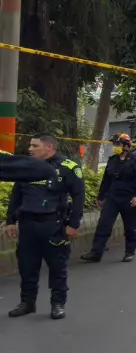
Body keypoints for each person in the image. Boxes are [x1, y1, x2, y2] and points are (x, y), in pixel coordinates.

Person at [5, 134, 86, 320]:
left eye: (35, 146)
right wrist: (10, 221)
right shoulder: (27, 167)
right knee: (26, 266)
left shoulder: (68, 167)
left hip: (53, 225)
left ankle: (58, 303)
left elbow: (79, 196)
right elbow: (16, 195)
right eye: (30, 146)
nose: (30, 149)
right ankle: (27, 302)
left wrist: (73, 224)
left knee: (57, 267)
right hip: (27, 224)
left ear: (49, 147)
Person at [81, 133, 136, 263]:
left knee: (130, 227)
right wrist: (101, 196)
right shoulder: (112, 160)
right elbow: (106, 180)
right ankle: (96, 253)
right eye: (115, 144)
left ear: (126, 146)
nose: (115, 147)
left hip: (129, 199)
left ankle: (129, 252)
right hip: (112, 198)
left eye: (118, 144)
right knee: (103, 225)